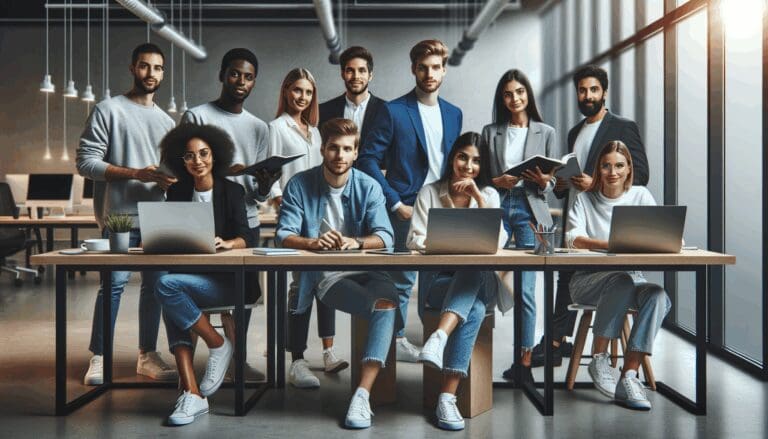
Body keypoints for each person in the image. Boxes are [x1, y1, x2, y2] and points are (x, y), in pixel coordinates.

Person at [276, 118, 398, 429]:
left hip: (368, 268)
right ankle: (301, 361)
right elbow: (283, 234)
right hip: (329, 276)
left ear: (356, 153)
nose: (339, 156)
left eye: (347, 149)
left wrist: (356, 242)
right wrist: (313, 243)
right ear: (322, 149)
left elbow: (386, 236)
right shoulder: (300, 184)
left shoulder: (369, 186)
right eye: (333, 148)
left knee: (387, 304)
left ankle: (361, 394)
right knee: (381, 307)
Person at [533, 64, 651, 368]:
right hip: (578, 214)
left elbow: (642, 174)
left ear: (604, 92)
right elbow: (570, 183)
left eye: (593, 89)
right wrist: (556, 182)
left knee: (570, 279)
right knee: (565, 278)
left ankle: (555, 343)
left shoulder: (622, 127)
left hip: (605, 217)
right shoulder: (575, 132)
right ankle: (556, 342)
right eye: (582, 90)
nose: (587, 95)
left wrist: (596, 181)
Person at [76, 43, 178, 386]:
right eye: (145, 66)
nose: (152, 74)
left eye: (158, 68)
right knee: (114, 286)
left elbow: (169, 172)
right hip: (119, 217)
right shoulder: (108, 110)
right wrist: (136, 174)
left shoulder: (167, 121)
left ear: (164, 73)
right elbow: (85, 163)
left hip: (159, 218)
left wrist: (170, 180)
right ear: (133, 68)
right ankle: (99, 356)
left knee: (157, 288)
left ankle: (146, 355)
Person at [357, 39, 463, 362]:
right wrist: (393, 203)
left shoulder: (454, 113)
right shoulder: (393, 111)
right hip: (406, 206)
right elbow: (367, 160)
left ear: (444, 70)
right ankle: (398, 340)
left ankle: (436, 343)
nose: (429, 73)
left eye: (435, 67)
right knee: (402, 280)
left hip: (444, 207)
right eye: (423, 67)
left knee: (439, 277)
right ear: (413, 69)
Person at [181, 48, 280, 381]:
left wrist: (265, 185)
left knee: (241, 295)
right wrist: (226, 169)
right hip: (201, 220)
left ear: (254, 82)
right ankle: (194, 365)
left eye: (248, 76)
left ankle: (238, 361)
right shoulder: (196, 116)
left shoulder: (258, 128)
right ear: (222, 74)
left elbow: (258, 193)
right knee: (194, 288)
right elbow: (183, 170)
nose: (241, 81)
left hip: (245, 222)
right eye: (235, 73)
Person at [407, 132, 512, 431]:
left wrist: (479, 199)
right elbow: (413, 239)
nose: (468, 166)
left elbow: (499, 241)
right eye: (463, 157)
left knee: (473, 266)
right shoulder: (429, 192)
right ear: (453, 158)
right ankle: (446, 399)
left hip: (482, 280)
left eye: (476, 161)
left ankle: (439, 337)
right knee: (475, 308)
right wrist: (451, 244)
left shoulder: (489, 195)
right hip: (439, 284)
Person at [154, 123, 256, 425]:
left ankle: (201, 374)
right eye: (189, 156)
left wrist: (228, 243)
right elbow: (171, 235)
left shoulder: (233, 190)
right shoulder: (177, 191)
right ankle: (194, 387)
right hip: (190, 278)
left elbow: (248, 237)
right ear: (180, 161)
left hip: (228, 283)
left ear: (215, 155)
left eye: (203, 153)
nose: (197, 161)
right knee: (170, 289)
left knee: (168, 289)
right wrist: (159, 238)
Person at [565, 140, 669, 410]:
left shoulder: (641, 196)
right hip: (588, 280)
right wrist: (612, 244)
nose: (613, 172)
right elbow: (572, 239)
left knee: (657, 296)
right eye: (606, 165)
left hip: (632, 276)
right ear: (599, 169)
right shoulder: (585, 198)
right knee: (620, 280)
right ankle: (599, 358)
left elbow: (658, 233)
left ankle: (629, 375)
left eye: (619, 166)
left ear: (628, 169)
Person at [268, 68, 348, 387]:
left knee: (325, 278)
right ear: (286, 91)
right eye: (297, 90)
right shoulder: (276, 127)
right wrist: (280, 204)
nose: (303, 97)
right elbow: (270, 173)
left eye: (308, 92)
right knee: (300, 284)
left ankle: (328, 352)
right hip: (294, 215)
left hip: (321, 212)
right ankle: (297, 359)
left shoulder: (314, 132)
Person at [480, 69, 558, 377]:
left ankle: (523, 362)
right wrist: (494, 180)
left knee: (527, 289)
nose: (515, 99)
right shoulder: (490, 132)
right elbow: (482, 174)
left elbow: (553, 181)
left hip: (530, 208)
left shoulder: (546, 132)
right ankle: (477, 352)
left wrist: (544, 180)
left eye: (520, 92)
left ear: (528, 94)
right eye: (509, 94)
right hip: (499, 203)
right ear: (502, 98)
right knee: (481, 270)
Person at [319, 46, 386, 148]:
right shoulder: (323, 111)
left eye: (362, 70)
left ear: (370, 75)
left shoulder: (388, 111)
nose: (356, 76)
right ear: (342, 74)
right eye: (350, 70)